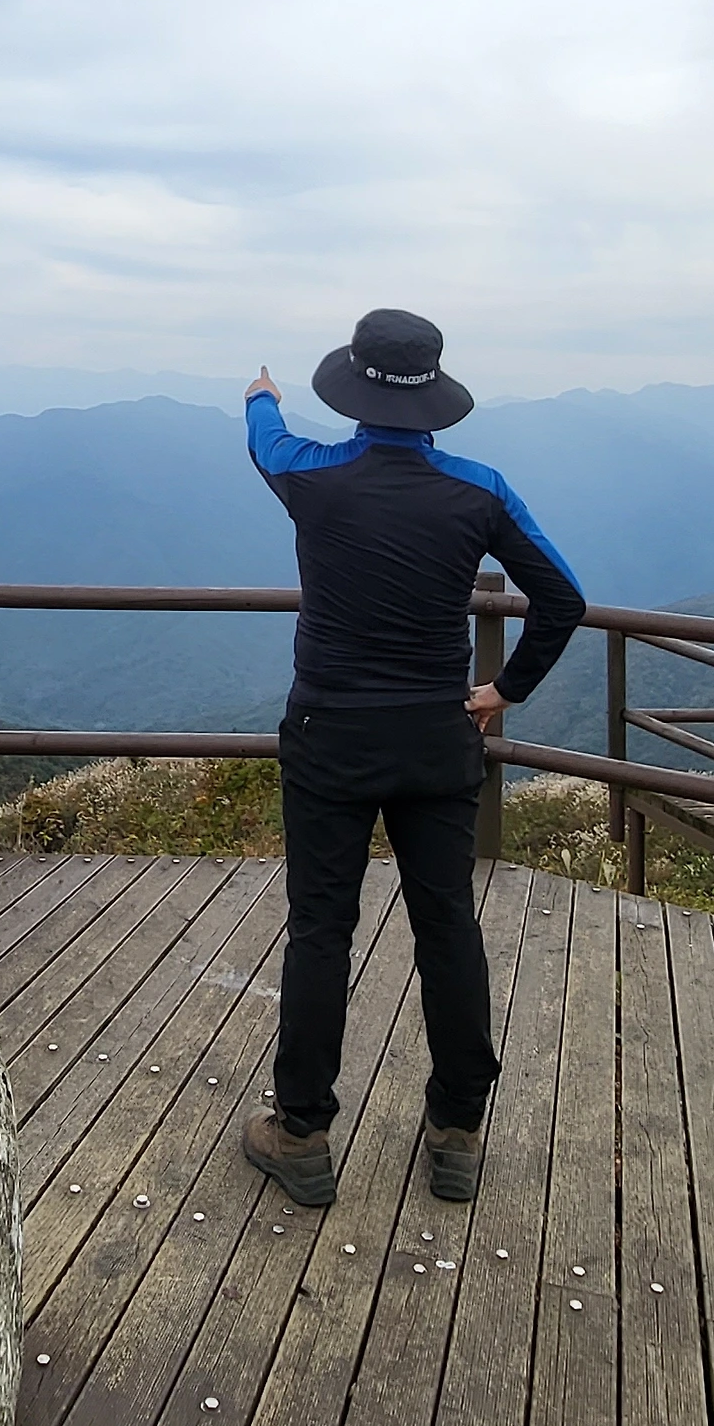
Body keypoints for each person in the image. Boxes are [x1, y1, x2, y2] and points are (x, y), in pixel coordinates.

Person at [242, 307, 585, 1208]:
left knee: (322, 928)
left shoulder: (313, 475)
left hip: (329, 737)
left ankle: (302, 1132)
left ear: (353, 387)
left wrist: (261, 395)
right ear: (434, 394)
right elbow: (563, 598)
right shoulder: (480, 490)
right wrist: (504, 689)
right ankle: (457, 1128)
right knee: (448, 924)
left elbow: (267, 441)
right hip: (438, 736)